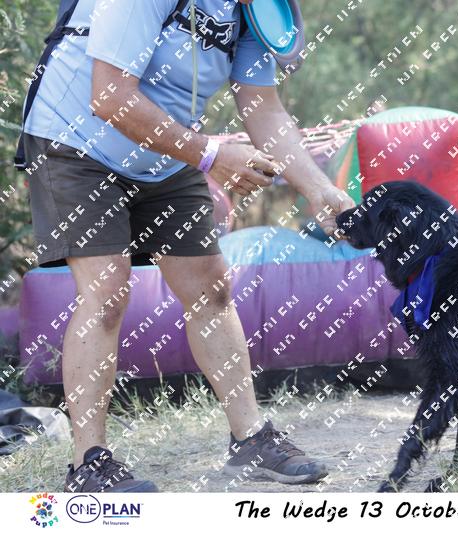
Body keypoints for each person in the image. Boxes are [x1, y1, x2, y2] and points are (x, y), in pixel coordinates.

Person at [20, 0, 353, 492]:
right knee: (106, 292)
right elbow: (109, 96)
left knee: (211, 288)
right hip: (76, 143)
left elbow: (263, 106)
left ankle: (251, 440)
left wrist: (318, 189)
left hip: (163, 150)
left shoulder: (253, 10)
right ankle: (89, 462)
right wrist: (212, 155)